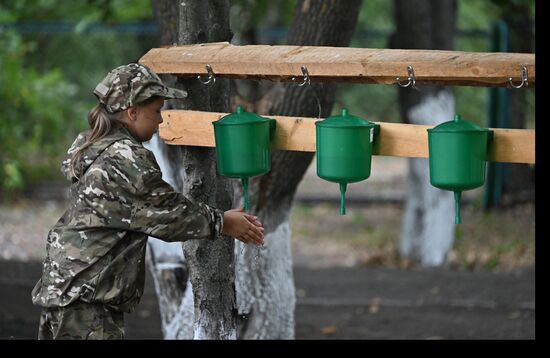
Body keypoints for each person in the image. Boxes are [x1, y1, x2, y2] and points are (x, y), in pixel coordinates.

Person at [31, 63, 265, 340]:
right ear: (132, 112)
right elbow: (167, 214)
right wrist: (223, 222)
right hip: (86, 302)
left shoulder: (96, 148)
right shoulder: (124, 159)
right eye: (156, 112)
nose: (161, 121)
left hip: (68, 290)